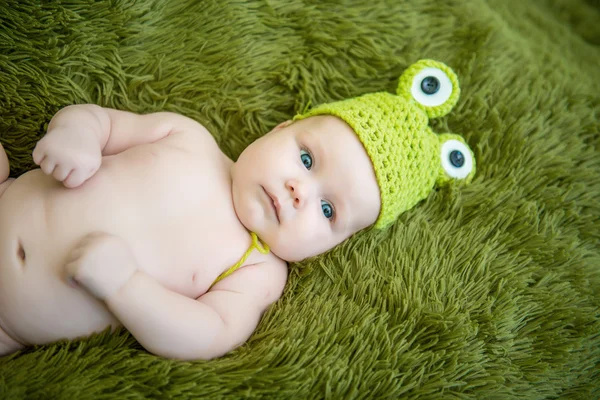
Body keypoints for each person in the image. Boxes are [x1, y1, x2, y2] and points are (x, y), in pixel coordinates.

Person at [0, 59, 476, 360]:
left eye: (328, 210)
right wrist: (77, 137)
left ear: (338, 243)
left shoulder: (257, 270)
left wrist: (126, 286)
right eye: (307, 159)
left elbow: (205, 335)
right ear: (280, 128)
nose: (298, 192)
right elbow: (100, 121)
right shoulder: (188, 138)